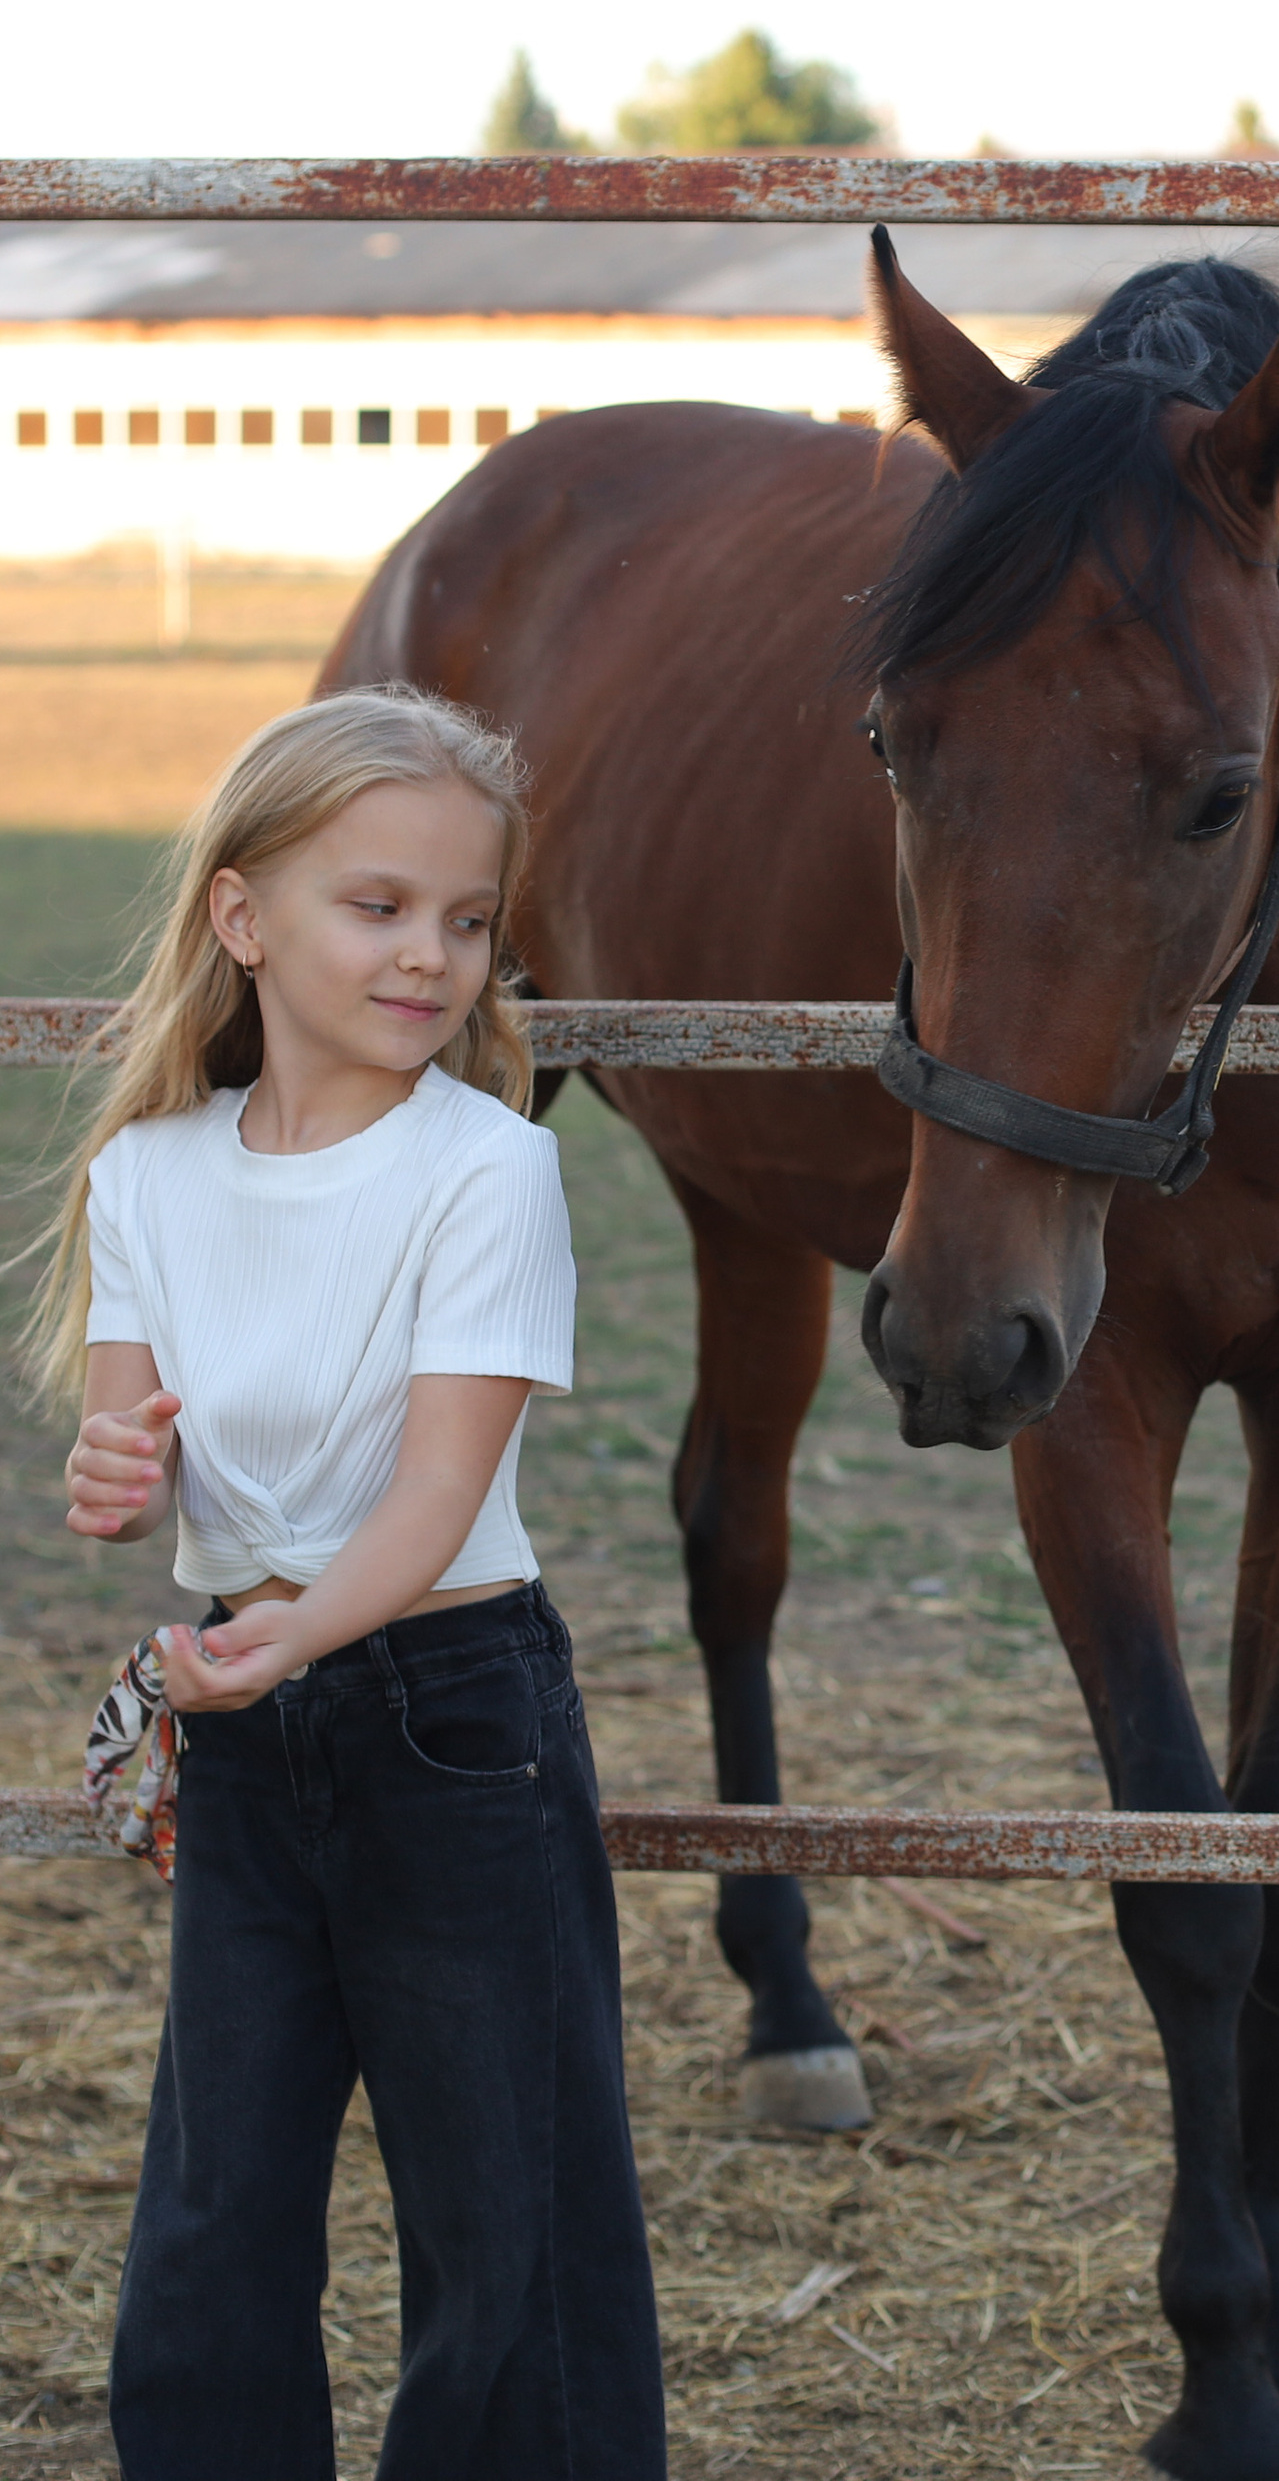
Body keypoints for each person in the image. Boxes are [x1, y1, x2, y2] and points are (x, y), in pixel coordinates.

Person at [29, 687, 664, 2481]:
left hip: (455, 1712)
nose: (433, 958)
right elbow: (123, 1456)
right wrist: (115, 1477)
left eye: (468, 922)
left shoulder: (486, 1169)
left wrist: (294, 1635)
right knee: (219, 2203)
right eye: (376, 908)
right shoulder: (146, 1174)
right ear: (244, 920)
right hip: (250, 1716)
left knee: (507, 2215)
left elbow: (441, 1485)